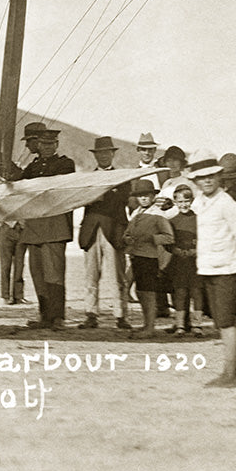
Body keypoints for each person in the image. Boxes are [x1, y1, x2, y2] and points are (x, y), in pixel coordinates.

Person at [189, 151, 236, 387]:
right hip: (208, 269)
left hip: (227, 270)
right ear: (195, 181)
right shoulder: (200, 203)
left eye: (211, 176)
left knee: (227, 322)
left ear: (219, 177)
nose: (207, 181)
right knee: (220, 322)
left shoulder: (228, 204)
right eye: (202, 178)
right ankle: (231, 372)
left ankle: (232, 375)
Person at [19, 127, 75, 329]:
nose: (47, 148)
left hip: (54, 225)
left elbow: (55, 186)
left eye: (51, 144)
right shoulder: (32, 166)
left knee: (54, 274)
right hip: (34, 226)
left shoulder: (65, 164)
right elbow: (19, 185)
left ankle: (58, 317)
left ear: (56, 145)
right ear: (39, 145)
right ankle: (45, 315)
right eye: (43, 144)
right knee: (38, 273)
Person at [78, 136, 132, 329]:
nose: (103, 156)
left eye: (106, 153)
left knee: (117, 276)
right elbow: (82, 200)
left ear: (112, 154)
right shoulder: (87, 179)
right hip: (92, 230)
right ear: (95, 156)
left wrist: (101, 197)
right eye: (100, 153)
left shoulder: (123, 177)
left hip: (114, 230)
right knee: (91, 275)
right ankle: (91, 314)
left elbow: (125, 199)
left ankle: (120, 315)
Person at [0, 122, 44, 305]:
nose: (26, 146)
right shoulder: (26, 171)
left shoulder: (30, 171)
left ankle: (18, 295)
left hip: (23, 225)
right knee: (5, 264)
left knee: (20, 264)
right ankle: (6, 295)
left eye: (28, 142)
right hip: (8, 225)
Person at [124, 178, 173, 338]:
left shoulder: (158, 214)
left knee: (148, 292)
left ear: (153, 196)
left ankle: (150, 327)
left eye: (147, 195)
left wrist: (152, 238)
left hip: (150, 258)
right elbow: (128, 233)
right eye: (140, 196)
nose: (144, 198)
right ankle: (146, 324)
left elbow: (169, 237)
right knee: (141, 292)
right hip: (137, 257)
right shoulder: (137, 213)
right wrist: (127, 239)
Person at [164, 184, 202, 336]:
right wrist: (175, 250)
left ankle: (197, 325)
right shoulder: (172, 222)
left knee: (197, 292)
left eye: (186, 201)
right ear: (175, 202)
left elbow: (205, 238)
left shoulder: (198, 219)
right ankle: (180, 325)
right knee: (180, 293)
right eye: (180, 202)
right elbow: (168, 242)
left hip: (195, 263)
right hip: (179, 262)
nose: (184, 204)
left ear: (192, 200)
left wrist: (196, 250)